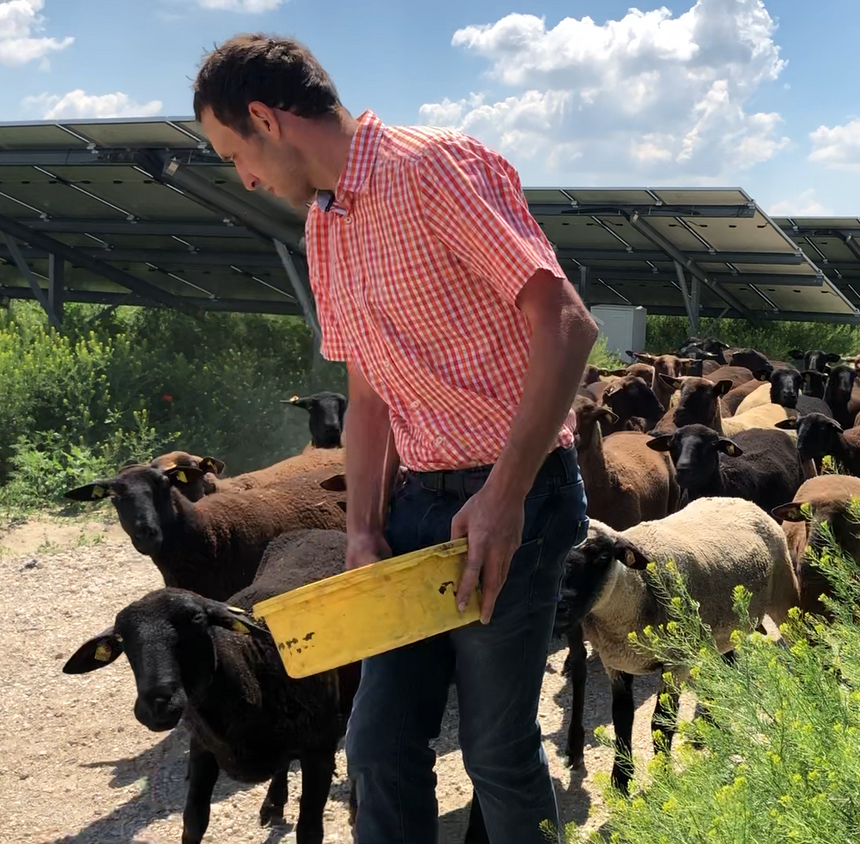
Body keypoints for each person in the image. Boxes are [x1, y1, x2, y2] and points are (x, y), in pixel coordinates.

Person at [193, 34, 597, 844]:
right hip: (415, 509)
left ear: (268, 119)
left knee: (495, 750)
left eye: (234, 152)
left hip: (514, 495)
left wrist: (503, 496)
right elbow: (369, 393)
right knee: (376, 742)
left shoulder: (435, 168)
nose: (243, 177)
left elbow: (565, 323)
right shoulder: (325, 227)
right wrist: (362, 530)